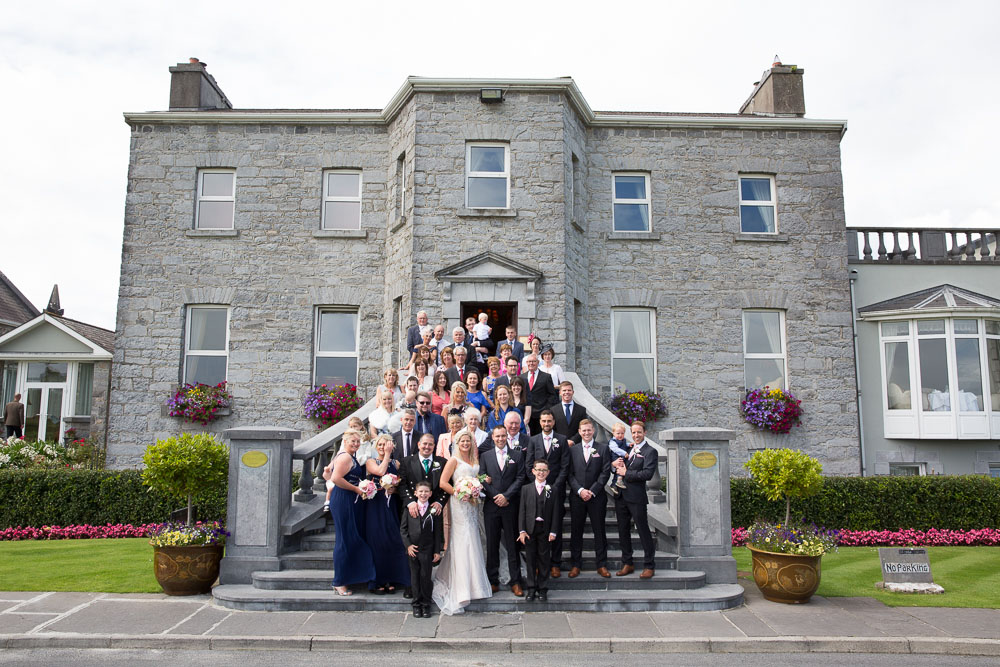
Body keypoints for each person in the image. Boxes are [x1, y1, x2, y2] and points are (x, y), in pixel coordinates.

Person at [433, 431, 492, 615]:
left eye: (468, 441)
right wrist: (459, 493)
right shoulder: (453, 460)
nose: (466, 443)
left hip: (473, 504)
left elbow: (477, 478)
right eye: (462, 441)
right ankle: (461, 588)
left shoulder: (476, 459)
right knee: (462, 539)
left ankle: (475, 585)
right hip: (459, 503)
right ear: (457, 443)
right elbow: (443, 482)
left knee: (473, 537)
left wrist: (481, 482)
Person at [478, 425, 526, 597]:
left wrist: (506, 496)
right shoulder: (485, 456)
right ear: (492, 437)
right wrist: (495, 496)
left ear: (507, 436)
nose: (500, 439)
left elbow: (521, 477)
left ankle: (516, 581)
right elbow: (482, 477)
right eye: (497, 436)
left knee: (513, 545)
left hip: (510, 505)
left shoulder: (517, 455)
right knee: (492, 544)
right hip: (491, 506)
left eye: (503, 436)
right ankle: (492, 580)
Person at [328, 429, 376, 595]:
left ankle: (352, 576)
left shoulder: (349, 456)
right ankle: (339, 581)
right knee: (344, 539)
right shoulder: (345, 457)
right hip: (343, 499)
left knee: (351, 537)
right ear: (345, 441)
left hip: (350, 500)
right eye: (353, 441)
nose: (356, 444)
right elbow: (335, 479)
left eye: (358, 442)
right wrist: (356, 489)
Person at [525, 409, 570, 577]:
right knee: (537, 529)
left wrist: (554, 486)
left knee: (555, 526)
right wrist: (538, 484)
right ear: (540, 422)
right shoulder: (533, 440)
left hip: (555, 490)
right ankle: (538, 563)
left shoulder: (562, 440)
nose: (546, 424)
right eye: (543, 421)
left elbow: (565, 466)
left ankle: (555, 563)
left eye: (549, 421)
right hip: (536, 491)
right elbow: (529, 464)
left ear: (553, 422)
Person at [612, 421, 659, 579]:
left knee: (643, 530)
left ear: (645, 432)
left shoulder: (650, 451)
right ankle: (627, 563)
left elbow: (647, 474)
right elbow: (618, 467)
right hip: (621, 496)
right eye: (633, 432)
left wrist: (627, 474)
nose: (636, 435)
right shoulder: (629, 448)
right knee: (623, 531)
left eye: (639, 432)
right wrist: (615, 466)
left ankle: (649, 565)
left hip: (637, 497)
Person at [365, 434, 410, 595]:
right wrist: (388, 455)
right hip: (375, 505)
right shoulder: (371, 462)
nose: (383, 447)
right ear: (376, 446)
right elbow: (380, 471)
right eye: (380, 445)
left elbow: (401, 484)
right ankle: (378, 580)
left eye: (386, 445)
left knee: (393, 540)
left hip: (391, 505)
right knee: (377, 541)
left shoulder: (396, 463)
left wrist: (394, 488)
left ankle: (393, 577)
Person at [567, 419, 611, 579]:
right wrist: (580, 490)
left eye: (589, 430)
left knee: (599, 531)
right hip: (577, 497)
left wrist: (592, 491)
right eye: (583, 430)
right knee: (576, 531)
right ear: (579, 432)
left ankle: (602, 564)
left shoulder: (603, 449)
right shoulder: (573, 450)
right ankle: (575, 564)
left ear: (594, 431)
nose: (586, 433)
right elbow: (569, 474)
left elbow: (605, 472)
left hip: (596, 497)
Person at [400, 480, 444, 618]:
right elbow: (403, 529)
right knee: (415, 577)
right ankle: (416, 604)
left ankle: (426, 604)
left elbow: (438, 532)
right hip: (413, 549)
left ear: (430, 494)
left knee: (425, 576)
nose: (423, 494)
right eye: (420, 491)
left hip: (428, 549)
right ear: (415, 493)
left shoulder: (434, 511)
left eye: (426, 492)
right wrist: (408, 546)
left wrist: (437, 550)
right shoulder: (409, 509)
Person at [517, 459, 558, 601]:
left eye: (544, 470)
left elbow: (556, 512)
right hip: (530, 529)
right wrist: (522, 530)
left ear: (548, 473)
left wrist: (553, 531)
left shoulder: (553, 489)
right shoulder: (526, 489)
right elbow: (522, 510)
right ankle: (531, 588)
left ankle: (543, 589)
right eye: (538, 470)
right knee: (530, 559)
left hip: (545, 529)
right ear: (533, 471)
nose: (541, 473)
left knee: (544, 559)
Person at [520, 354, 557, 435]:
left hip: (540, 414)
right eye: (529, 361)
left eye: (533, 361)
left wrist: (547, 409)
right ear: (526, 363)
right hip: (525, 413)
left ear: (538, 362)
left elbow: (552, 395)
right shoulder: (521, 377)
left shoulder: (546, 377)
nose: (531, 363)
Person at [550, 381, 587, 447]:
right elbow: (552, 428)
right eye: (564, 390)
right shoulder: (553, 410)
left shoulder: (581, 410)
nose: (567, 392)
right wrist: (562, 441)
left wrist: (573, 440)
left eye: (569, 390)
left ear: (573, 392)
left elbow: (583, 428)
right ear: (560, 393)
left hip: (577, 445)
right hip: (559, 445)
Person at [606, 422, 631, 498]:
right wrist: (624, 453)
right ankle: (617, 482)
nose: (620, 435)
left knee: (621, 469)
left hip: (621, 456)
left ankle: (615, 483)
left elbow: (624, 445)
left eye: (622, 433)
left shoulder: (623, 440)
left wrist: (628, 445)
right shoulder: (612, 442)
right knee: (620, 467)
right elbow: (616, 449)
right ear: (613, 433)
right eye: (618, 433)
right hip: (616, 456)